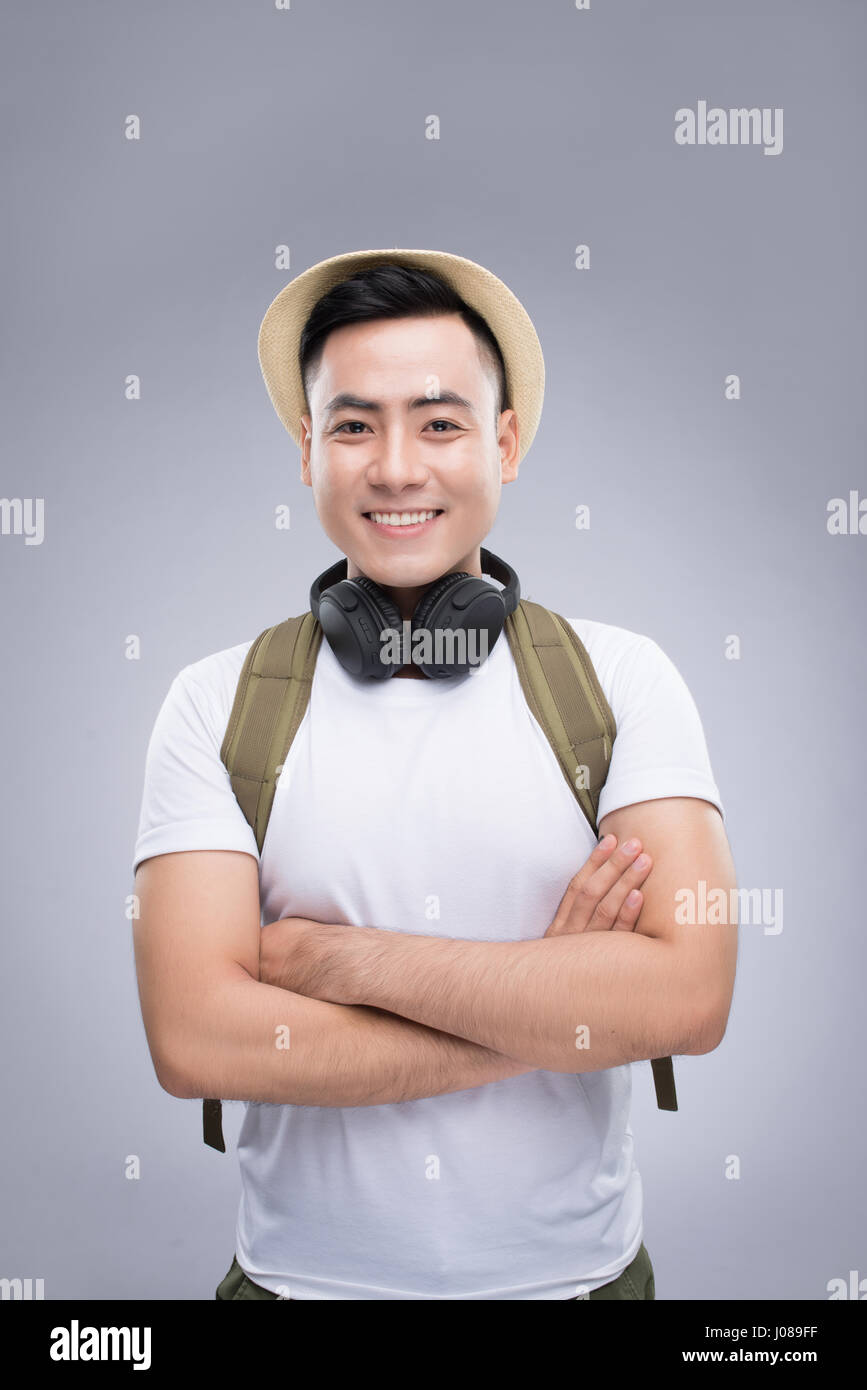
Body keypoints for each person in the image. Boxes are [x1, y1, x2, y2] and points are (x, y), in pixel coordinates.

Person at [131, 249, 738, 1301]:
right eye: (354, 425)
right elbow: (194, 1039)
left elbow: (689, 996)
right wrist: (545, 998)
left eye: (441, 423)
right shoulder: (214, 701)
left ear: (505, 443)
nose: (398, 467)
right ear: (306, 450)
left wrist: (339, 960)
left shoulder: (620, 679)